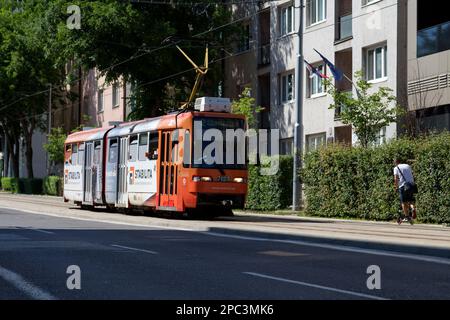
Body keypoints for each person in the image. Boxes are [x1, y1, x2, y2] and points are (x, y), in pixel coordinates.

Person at [394, 158, 417, 224]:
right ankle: (413, 208)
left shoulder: (396, 168)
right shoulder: (407, 166)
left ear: (396, 162)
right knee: (410, 200)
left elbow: (395, 178)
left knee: (404, 202)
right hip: (411, 185)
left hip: (403, 186)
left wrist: (396, 186)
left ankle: (407, 216)